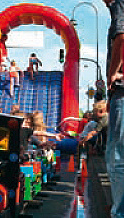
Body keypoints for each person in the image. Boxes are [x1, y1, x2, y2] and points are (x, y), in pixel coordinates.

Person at [102, 0, 124, 217]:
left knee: (117, 156)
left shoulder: (119, 5)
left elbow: (121, 36)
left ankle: (120, 211)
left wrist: (111, 75)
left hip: (122, 91)